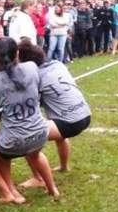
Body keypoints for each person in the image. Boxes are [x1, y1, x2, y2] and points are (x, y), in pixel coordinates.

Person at [0, 37, 59, 203]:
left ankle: (9, 194)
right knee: (35, 154)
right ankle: (52, 189)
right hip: (40, 133)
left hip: (14, 141)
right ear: (17, 53)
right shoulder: (32, 67)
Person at [15, 42, 90, 185]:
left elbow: (31, 102)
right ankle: (64, 166)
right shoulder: (57, 64)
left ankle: (38, 179)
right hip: (85, 114)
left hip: (70, 122)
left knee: (27, 135)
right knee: (59, 134)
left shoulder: (35, 77)